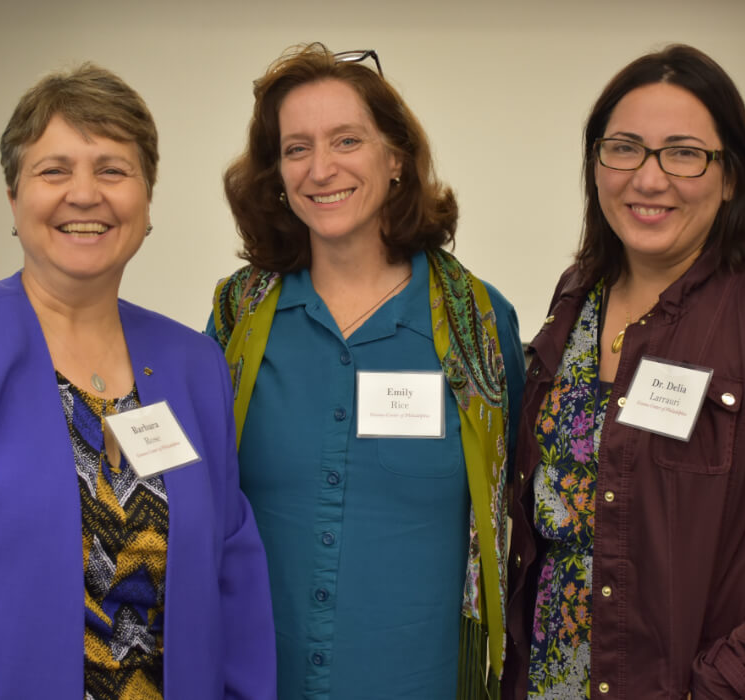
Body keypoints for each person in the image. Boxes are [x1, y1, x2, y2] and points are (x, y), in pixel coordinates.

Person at [0, 64, 276, 699]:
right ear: (14, 200)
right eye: (53, 170)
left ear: (146, 201)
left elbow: (234, 575)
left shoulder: (193, 363)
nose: (84, 194)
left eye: (113, 170)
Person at [501, 44, 745, 699]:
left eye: (684, 153)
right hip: (562, 672)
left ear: (732, 176)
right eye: (625, 147)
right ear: (596, 163)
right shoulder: (577, 297)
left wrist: (729, 684)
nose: (649, 178)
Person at [209, 44, 526, 700]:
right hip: (260, 683)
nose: (320, 169)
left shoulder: (480, 325)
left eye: (346, 140)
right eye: (296, 148)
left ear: (397, 157)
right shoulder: (237, 317)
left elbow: (519, 500)